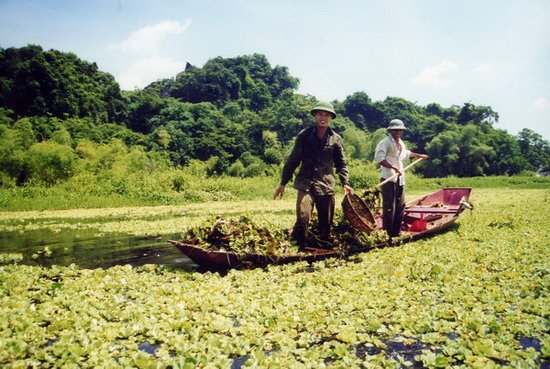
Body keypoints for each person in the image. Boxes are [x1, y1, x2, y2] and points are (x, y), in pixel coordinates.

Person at [274, 101, 353, 249]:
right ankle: (298, 248)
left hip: (326, 185)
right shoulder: (304, 135)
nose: (323, 117)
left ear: (330, 118)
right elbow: (293, 159)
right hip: (306, 183)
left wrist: (345, 183)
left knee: (326, 223)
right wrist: (283, 183)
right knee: (303, 217)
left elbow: (341, 164)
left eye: (326, 115)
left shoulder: (336, 139)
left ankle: (324, 248)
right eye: (320, 114)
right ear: (315, 116)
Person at [374, 119, 429, 238]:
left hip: (400, 179)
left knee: (400, 205)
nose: (398, 132)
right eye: (395, 130)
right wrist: (393, 167)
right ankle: (387, 233)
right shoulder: (385, 142)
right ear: (391, 130)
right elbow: (379, 158)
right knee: (389, 206)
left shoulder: (401, 143)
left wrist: (420, 155)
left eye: (400, 130)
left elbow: (407, 154)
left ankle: (396, 232)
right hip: (388, 178)